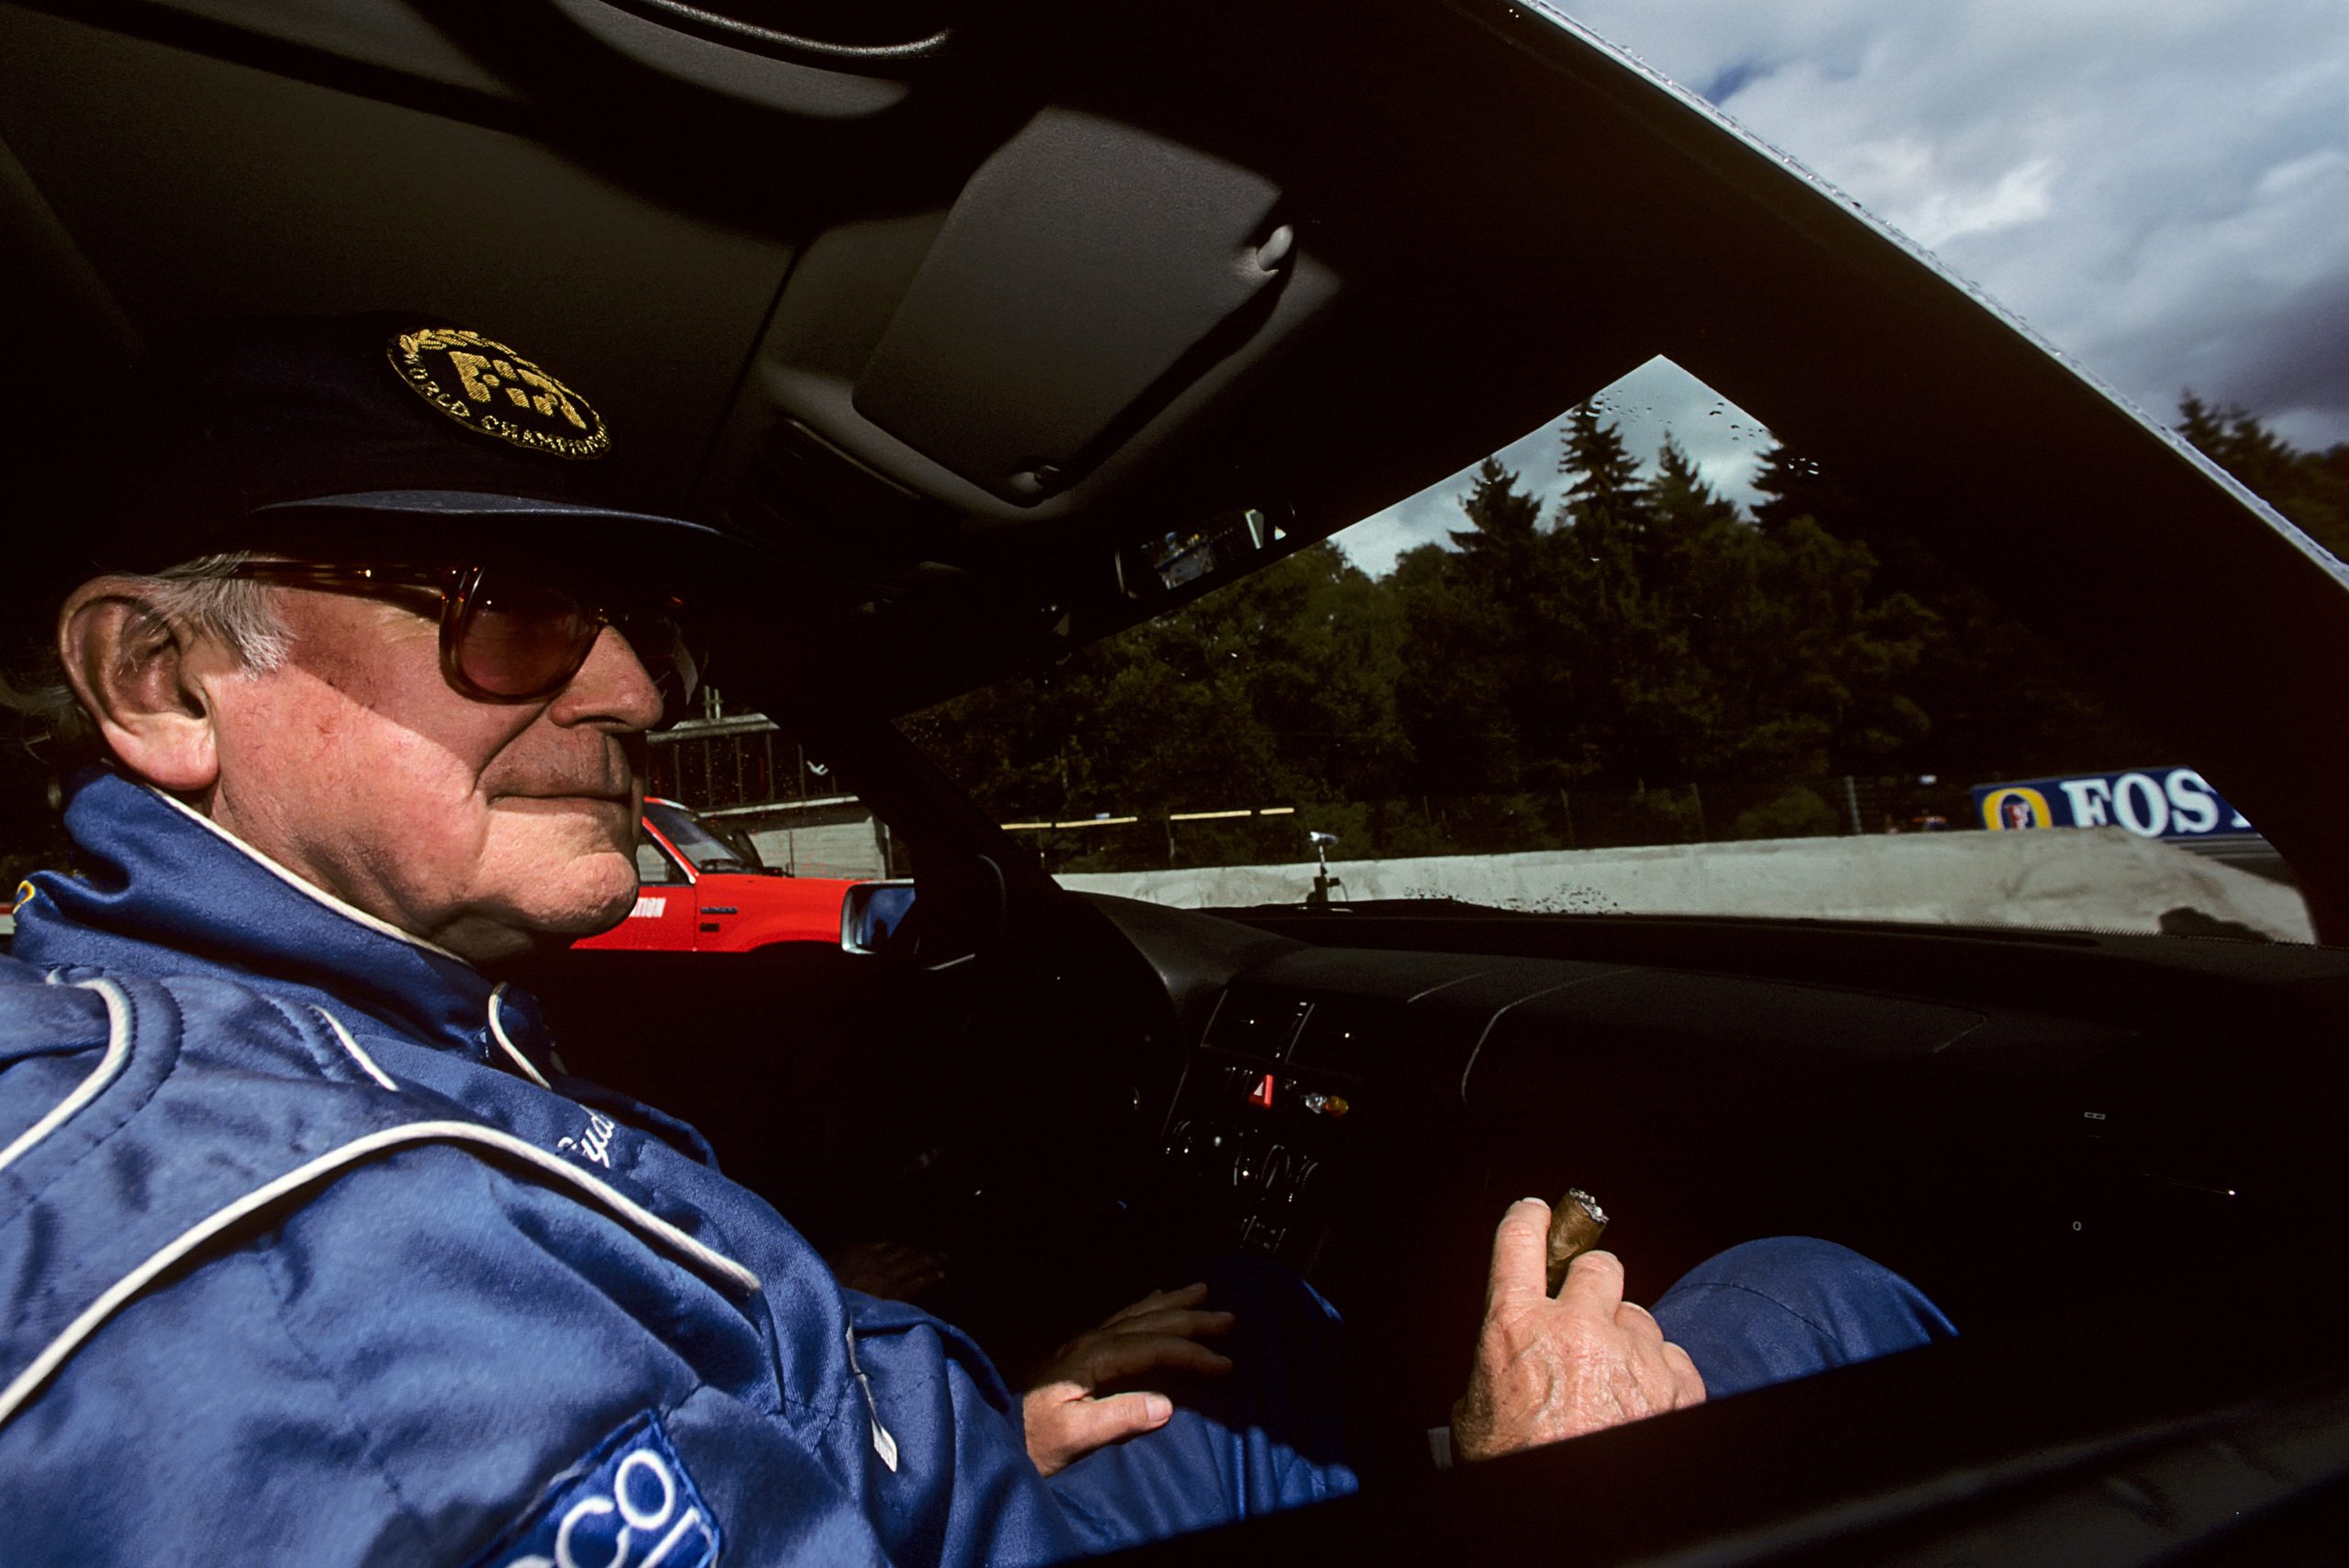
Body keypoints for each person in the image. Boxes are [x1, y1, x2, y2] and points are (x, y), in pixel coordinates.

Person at [0, 315, 1953, 1564]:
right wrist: (1548, 1513)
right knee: (1811, 1290)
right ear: (162, 679)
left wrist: (870, 1417)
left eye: (640, 632)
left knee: (1251, 1324)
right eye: (508, 609)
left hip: (936, 1485)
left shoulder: (312, 1034)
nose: (629, 694)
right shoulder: (259, 1293)